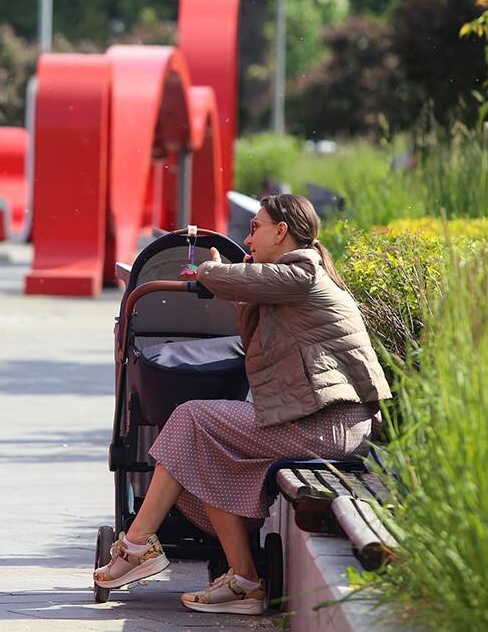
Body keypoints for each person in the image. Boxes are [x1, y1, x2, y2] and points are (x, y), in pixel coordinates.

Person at [93, 193, 391, 615]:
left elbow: (242, 284)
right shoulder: (292, 278)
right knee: (203, 449)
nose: (247, 239)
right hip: (322, 421)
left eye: (255, 228)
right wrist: (234, 279)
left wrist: (210, 269)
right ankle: (245, 583)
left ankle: (136, 545)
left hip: (328, 424)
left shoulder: (302, 270)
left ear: (282, 231)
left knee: (191, 417)